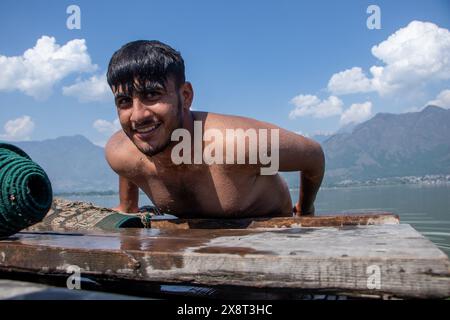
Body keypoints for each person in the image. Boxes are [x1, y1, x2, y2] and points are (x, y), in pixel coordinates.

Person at [105, 40, 324, 218]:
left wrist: (305, 210)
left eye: (152, 95)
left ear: (186, 96)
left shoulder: (238, 145)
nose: (137, 116)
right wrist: (127, 205)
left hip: (272, 231)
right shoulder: (121, 152)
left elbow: (313, 157)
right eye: (124, 101)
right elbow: (127, 167)